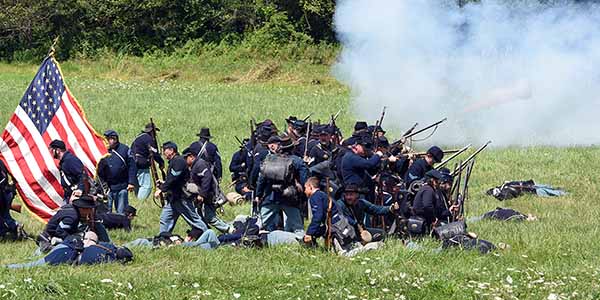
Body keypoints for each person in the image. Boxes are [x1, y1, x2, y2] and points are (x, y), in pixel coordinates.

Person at [255, 136, 308, 233]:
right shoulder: (297, 161)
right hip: (290, 197)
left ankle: (249, 237)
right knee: (298, 227)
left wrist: (258, 194)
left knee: (260, 224)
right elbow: (304, 179)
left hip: (271, 196)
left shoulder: (269, 159)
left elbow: (261, 179)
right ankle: (303, 243)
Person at [155, 143, 208, 236]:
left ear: (171, 150)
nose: (163, 153)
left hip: (182, 197)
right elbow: (173, 179)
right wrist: (164, 182)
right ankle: (162, 238)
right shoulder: (175, 161)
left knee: (194, 219)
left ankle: (208, 235)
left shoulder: (179, 161)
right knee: (165, 219)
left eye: (165, 150)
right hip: (174, 197)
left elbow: (173, 178)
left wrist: (162, 189)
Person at [38, 195, 110, 253]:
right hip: (50, 238)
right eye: (89, 209)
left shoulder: (72, 209)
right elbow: (60, 231)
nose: (91, 211)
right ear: (83, 209)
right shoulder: (72, 217)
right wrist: (73, 240)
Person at [189, 151, 232, 233]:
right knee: (200, 216)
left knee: (209, 217)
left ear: (191, 157)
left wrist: (202, 194)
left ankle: (229, 229)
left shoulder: (200, 164)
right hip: (204, 195)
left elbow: (207, 179)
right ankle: (204, 232)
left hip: (208, 195)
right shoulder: (195, 165)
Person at [97, 130, 137, 213]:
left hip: (122, 185)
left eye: (111, 139)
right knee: (106, 211)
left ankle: (121, 224)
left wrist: (131, 182)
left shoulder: (125, 149)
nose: (108, 141)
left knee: (121, 211)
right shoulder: (102, 150)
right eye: (107, 139)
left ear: (115, 139)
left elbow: (132, 167)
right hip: (107, 186)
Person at [130, 123, 164, 200]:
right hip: (141, 164)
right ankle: (140, 201)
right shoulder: (148, 139)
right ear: (152, 131)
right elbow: (155, 153)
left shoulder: (139, 137)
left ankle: (137, 200)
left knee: (138, 186)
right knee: (147, 186)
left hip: (132, 164)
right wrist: (161, 163)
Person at [303, 177, 335, 245]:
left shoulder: (315, 197)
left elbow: (318, 216)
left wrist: (309, 233)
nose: (304, 191)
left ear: (310, 187)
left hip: (334, 225)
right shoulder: (321, 195)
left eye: (305, 188)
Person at [0, 159, 25, 240]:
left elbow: (3, 179)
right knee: (4, 215)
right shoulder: (3, 160)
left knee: (4, 215)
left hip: (4, 193)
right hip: (6, 191)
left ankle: (14, 227)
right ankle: (14, 229)